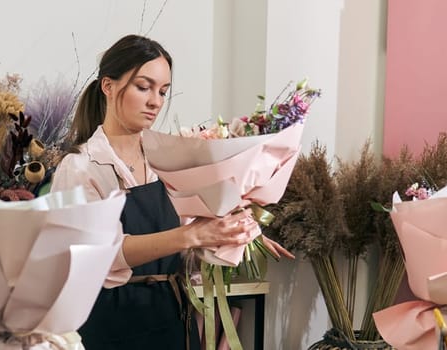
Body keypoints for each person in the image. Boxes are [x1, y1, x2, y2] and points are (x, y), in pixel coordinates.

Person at [51, 34, 294, 350]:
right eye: (143, 87)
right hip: (110, 323)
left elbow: (190, 247)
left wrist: (233, 234)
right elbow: (100, 255)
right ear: (108, 87)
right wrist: (193, 235)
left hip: (170, 315)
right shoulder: (80, 167)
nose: (155, 101)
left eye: (163, 91)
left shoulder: (170, 160)